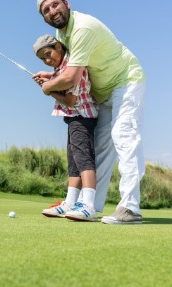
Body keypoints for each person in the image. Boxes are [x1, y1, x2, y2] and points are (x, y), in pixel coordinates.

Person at [34, 0, 146, 224]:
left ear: (66, 3)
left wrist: (49, 88)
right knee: (101, 149)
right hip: (101, 91)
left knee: (123, 135)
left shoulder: (82, 27)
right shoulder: (60, 33)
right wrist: (52, 74)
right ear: (43, 18)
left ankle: (131, 208)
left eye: (55, 5)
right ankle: (89, 206)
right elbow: (67, 66)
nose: (52, 11)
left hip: (125, 80)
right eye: (46, 10)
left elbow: (73, 77)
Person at [32, 34, 99, 222]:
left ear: (59, 47)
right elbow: (59, 78)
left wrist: (49, 90)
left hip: (82, 116)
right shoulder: (61, 69)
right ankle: (70, 203)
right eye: (43, 59)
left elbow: (70, 100)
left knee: (84, 160)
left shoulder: (72, 66)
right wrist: (50, 79)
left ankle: (89, 206)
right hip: (74, 118)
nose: (47, 60)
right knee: (74, 162)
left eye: (48, 54)